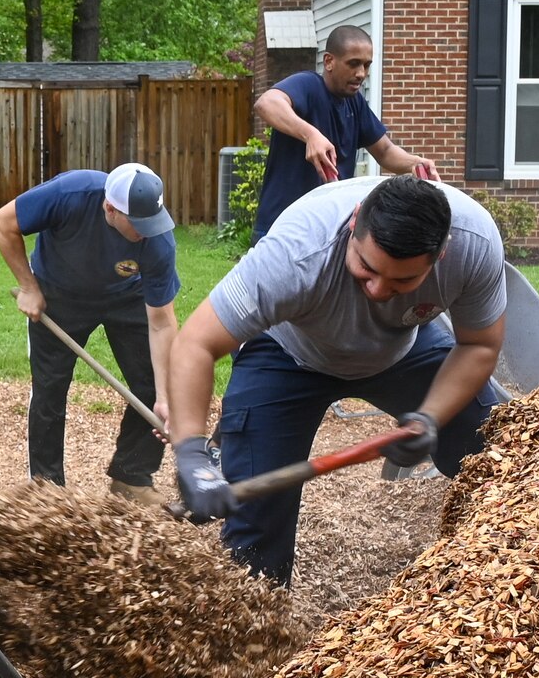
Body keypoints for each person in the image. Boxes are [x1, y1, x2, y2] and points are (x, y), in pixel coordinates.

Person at [167, 175, 507, 587]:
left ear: (441, 255)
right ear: (354, 222)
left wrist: (430, 418)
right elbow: (195, 344)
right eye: (366, 268)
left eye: (402, 282)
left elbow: (479, 346)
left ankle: (501, 573)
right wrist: (189, 452)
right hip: (289, 355)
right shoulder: (296, 254)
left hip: (402, 349)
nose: (379, 290)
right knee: (256, 524)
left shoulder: (474, 244)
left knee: (493, 449)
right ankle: (258, 636)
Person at [0, 161, 181, 506]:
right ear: (110, 208)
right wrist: (28, 286)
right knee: (50, 389)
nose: (147, 232)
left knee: (155, 382)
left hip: (126, 296)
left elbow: (163, 323)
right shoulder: (71, 194)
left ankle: (131, 477)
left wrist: (165, 397)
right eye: (138, 225)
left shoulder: (158, 242)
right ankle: (47, 490)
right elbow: (3, 223)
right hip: (59, 295)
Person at [252, 25, 440, 239]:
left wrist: (415, 163)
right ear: (329, 61)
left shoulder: (355, 104)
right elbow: (266, 103)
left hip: (328, 230)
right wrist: (310, 135)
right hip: (282, 227)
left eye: (366, 65)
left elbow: (385, 151)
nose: (361, 74)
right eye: (353, 64)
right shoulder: (308, 85)